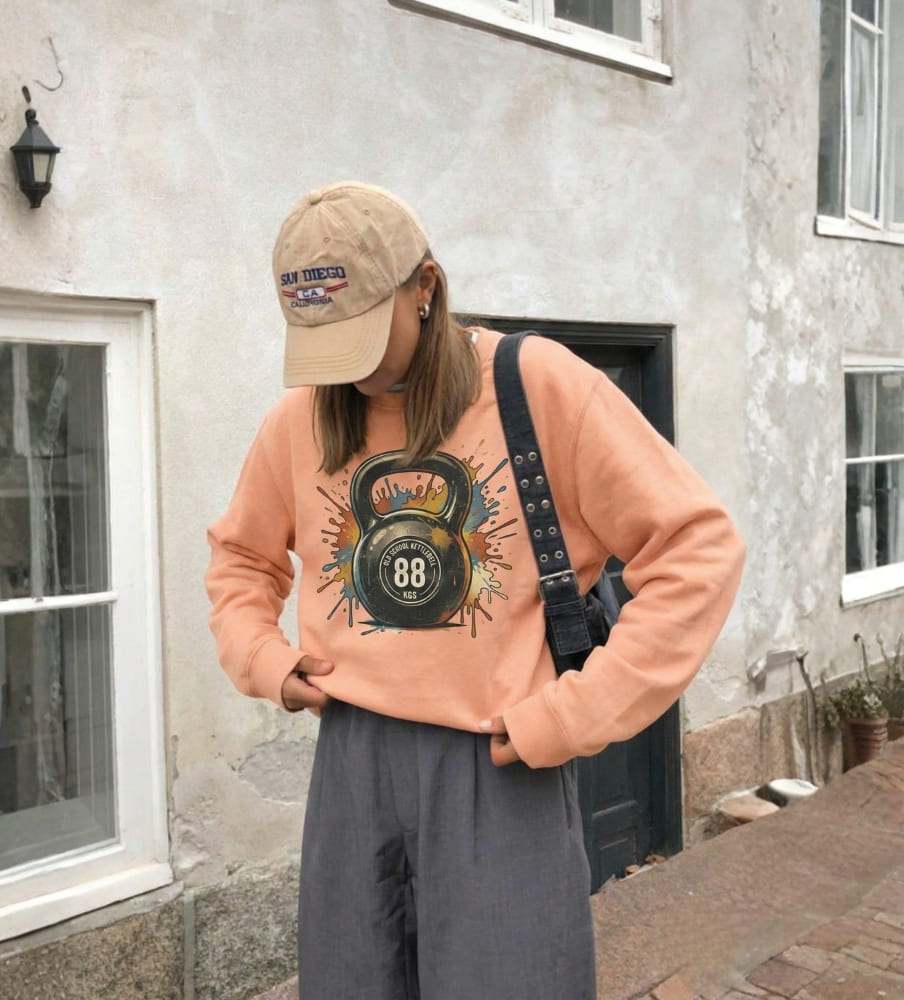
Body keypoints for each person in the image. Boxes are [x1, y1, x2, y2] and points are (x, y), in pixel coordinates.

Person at [205, 181, 745, 1000]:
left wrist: (576, 712)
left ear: (424, 287)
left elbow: (698, 549)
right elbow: (241, 559)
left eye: (356, 333)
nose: (341, 372)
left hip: (499, 763)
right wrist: (262, 659)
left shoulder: (535, 384)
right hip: (352, 759)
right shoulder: (301, 421)